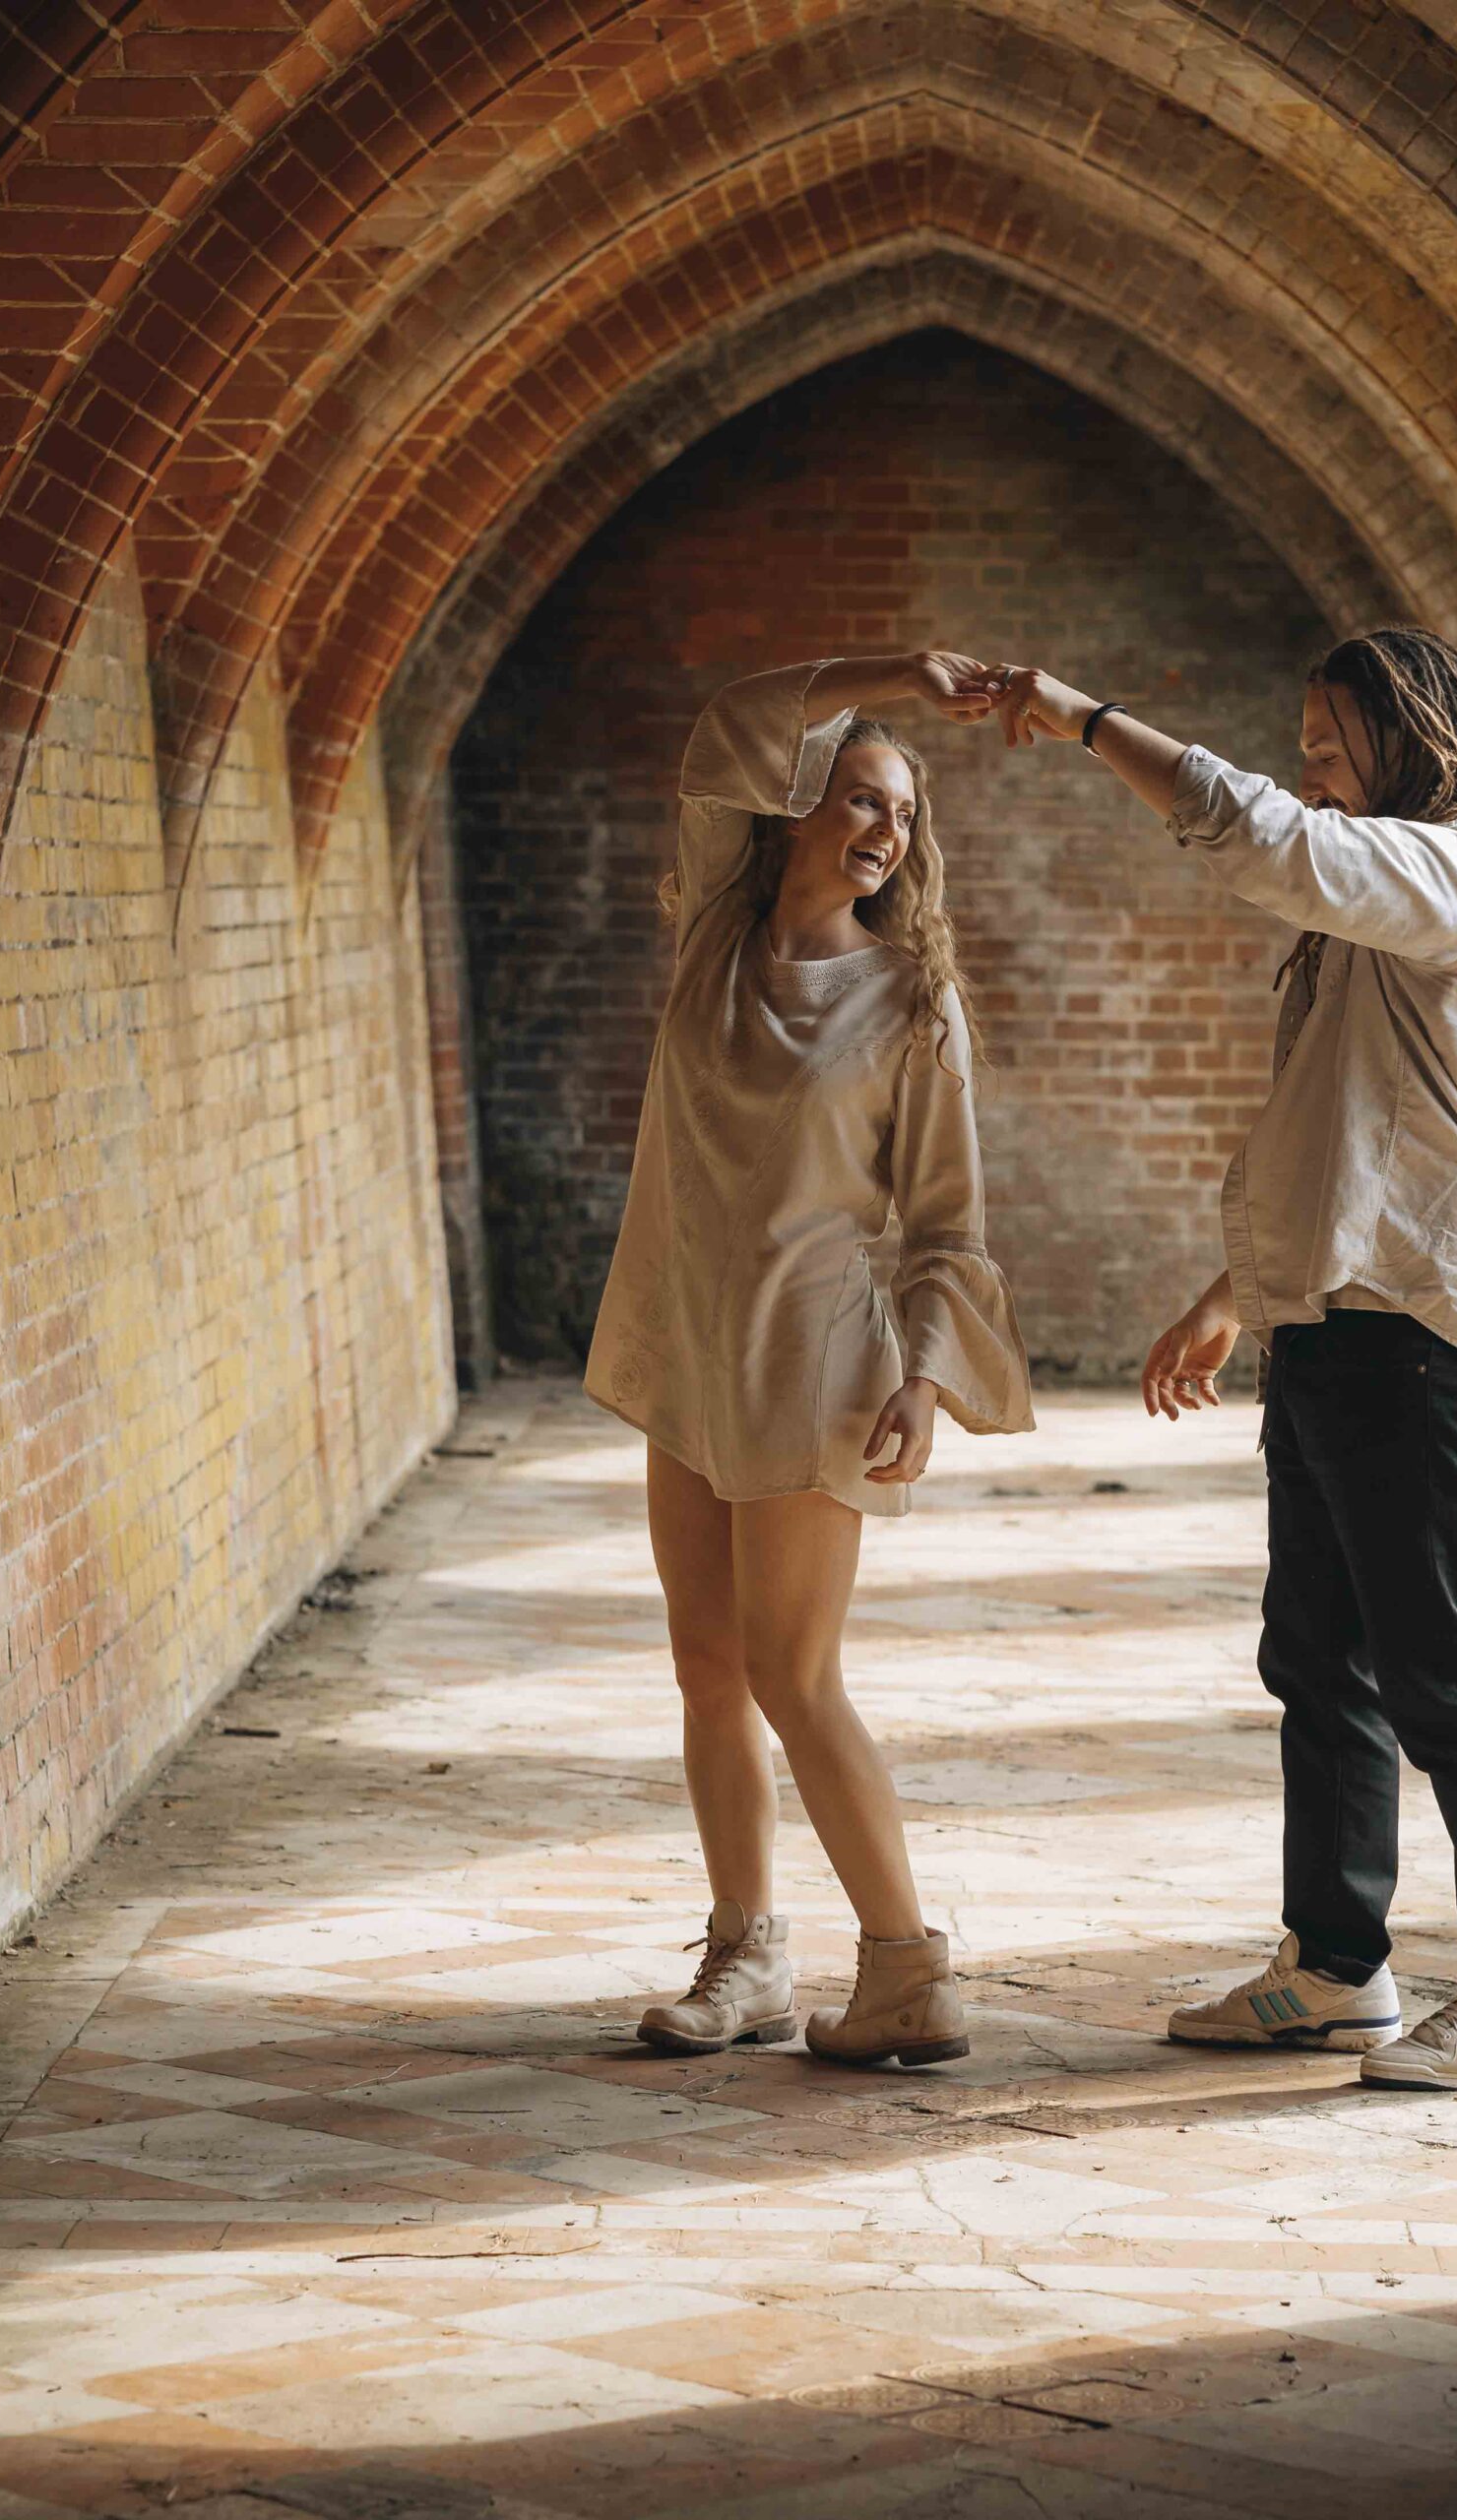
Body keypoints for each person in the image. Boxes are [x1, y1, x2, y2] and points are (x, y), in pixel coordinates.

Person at [988, 630, 1457, 2092]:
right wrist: (1235, 1292)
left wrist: (1080, 720)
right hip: (1338, 1312)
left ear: (1408, 735)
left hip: (1427, 1325)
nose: (1313, 765)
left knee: (1441, 1667)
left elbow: (1263, 833)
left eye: (1330, 740)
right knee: (1316, 1658)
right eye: (1306, 740)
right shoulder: (1387, 899)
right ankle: (1335, 1970)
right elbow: (1342, 1124)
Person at [586, 654, 1034, 2069]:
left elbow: (949, 1219)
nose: (882, 827)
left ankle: (905, 1965)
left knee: (794, 1668)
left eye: (900, 811)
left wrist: (924, 1376)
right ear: (791, 813)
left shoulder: (914, 999)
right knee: (707, 1663)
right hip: (688, 1340)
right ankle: (748, 1957)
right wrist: (894, 676)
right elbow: (727, 721)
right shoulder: (714, 931)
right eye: (852, 794)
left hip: (818, 1353)